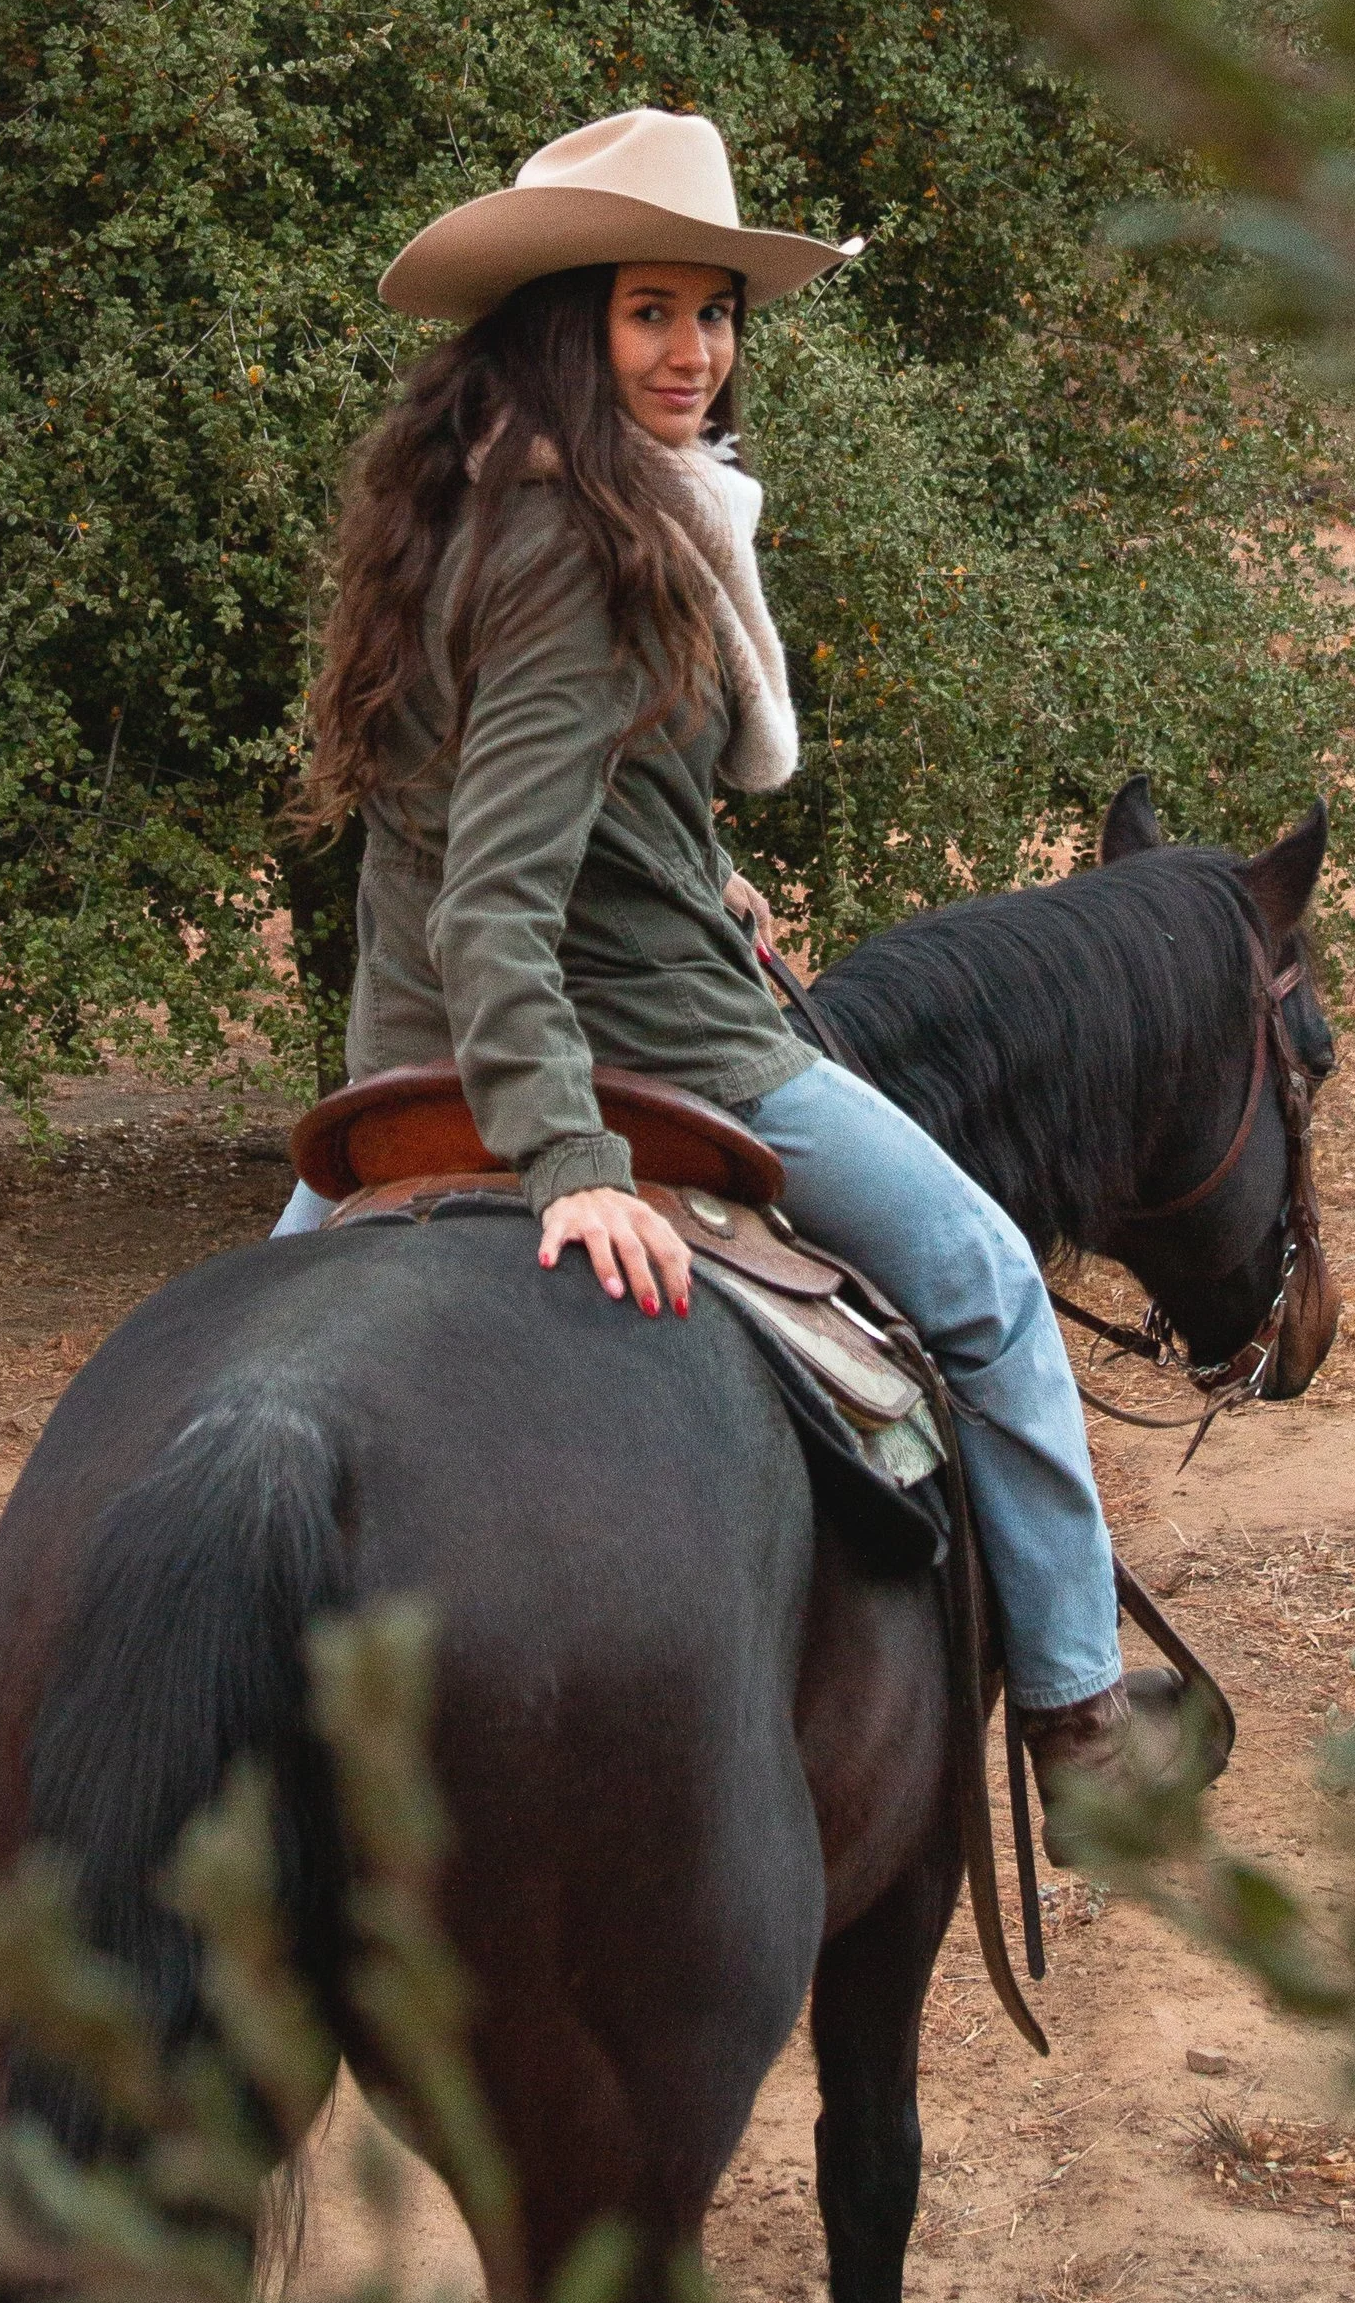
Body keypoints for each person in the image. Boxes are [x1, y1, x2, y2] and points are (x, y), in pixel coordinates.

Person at [278, 107, 1137, 1837]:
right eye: (651, 310)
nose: (697, 351)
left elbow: (495, 808)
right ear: (564, 319)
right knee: (987, 1283)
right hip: (649, 1054)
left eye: (718, 312)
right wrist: (577, 1161)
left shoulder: (466, 504)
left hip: (399, 1067)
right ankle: (1075, 1704)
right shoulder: (600, 552)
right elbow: (498, 902)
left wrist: (704, 875)